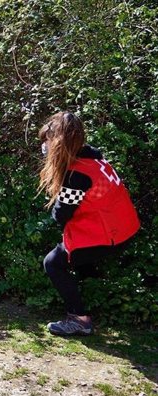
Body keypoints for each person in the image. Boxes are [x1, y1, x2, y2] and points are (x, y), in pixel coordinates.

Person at [38, 112, 140, 336]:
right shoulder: (95, 159)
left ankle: (79, 319)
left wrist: (57, 202)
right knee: (77, 259)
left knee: (53, 263)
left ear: (59, 143)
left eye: (47, 140)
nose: (44, 146)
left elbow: (61, 215)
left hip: (108, 234)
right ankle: (96, 292)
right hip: (124, 227)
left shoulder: (76, 176)